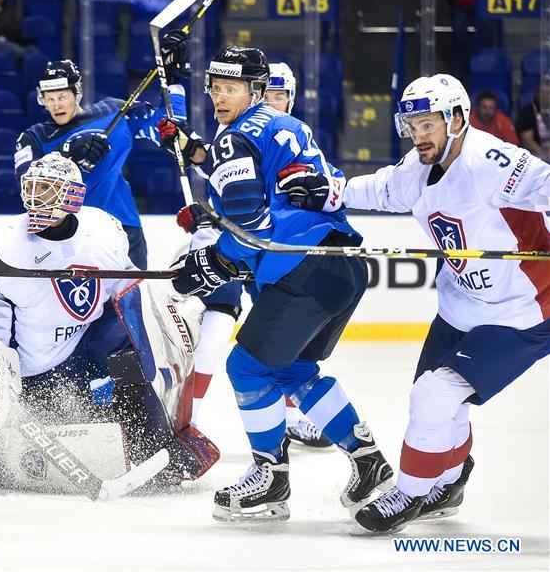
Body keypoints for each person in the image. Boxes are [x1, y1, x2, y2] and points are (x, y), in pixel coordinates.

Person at [279, 73, 550, 532]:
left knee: (436, 392)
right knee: (438, 401)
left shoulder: (493, 161)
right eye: (413, 125)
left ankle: (409, 492)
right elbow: (385, 191)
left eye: (428, 124)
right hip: (461, 302)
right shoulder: (420, 166)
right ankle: (448, 479)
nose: (418, 135)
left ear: (457, 119)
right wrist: (328, 192)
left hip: (522, 308)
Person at [161, 46, 393, 523]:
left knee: (246, 369)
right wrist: (193, 152)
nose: (222, 97)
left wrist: (214, 262)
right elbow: (272, 190)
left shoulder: (234, 138)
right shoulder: (288, 126)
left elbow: (254, 226)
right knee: (292, 373)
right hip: (341, 266)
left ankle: (270, 479)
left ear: (256, 91)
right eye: (217, 88)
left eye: (232, 89)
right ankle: (370, 464)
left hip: (300, 269)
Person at [0, 153, 219, 492]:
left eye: (45, 189)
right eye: (30, 187)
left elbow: (128, 291)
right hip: (37, 366)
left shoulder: (101, 227)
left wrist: (169, 311)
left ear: (71, 195)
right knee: (53, 419)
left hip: (90, 342)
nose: (33, 196)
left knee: (138, 343)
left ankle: (150, 440)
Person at [169, 61, 331, 449]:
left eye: (280, 95)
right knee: (219, 323)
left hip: (268, 252)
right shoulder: (245, 130)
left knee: (280, 344)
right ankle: (189, 417)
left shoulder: (272, 133)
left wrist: (216, 223)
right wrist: (189, 144)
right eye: (270, 94)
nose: (273, 102)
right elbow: (221, 174)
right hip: (247, 245)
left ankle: (290, 419)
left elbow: (260, 205)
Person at [13, 33, 190, 269]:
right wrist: (65, 155)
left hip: (124, 228)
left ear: (77, 93)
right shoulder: (33, 137)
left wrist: (172, 81)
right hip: (66, 234)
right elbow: (26, 183)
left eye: (62, 96)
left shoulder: (112, 112)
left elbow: (168, 130)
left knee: (130, 304)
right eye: (50, 98)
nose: (56, 104)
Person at [515, 80, 550, 161]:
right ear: (537, 93)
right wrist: (544, 156)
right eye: (542, 93)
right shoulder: (528, 112)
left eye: (548, 93)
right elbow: (527, 141)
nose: (545, 96)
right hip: (536, 155)